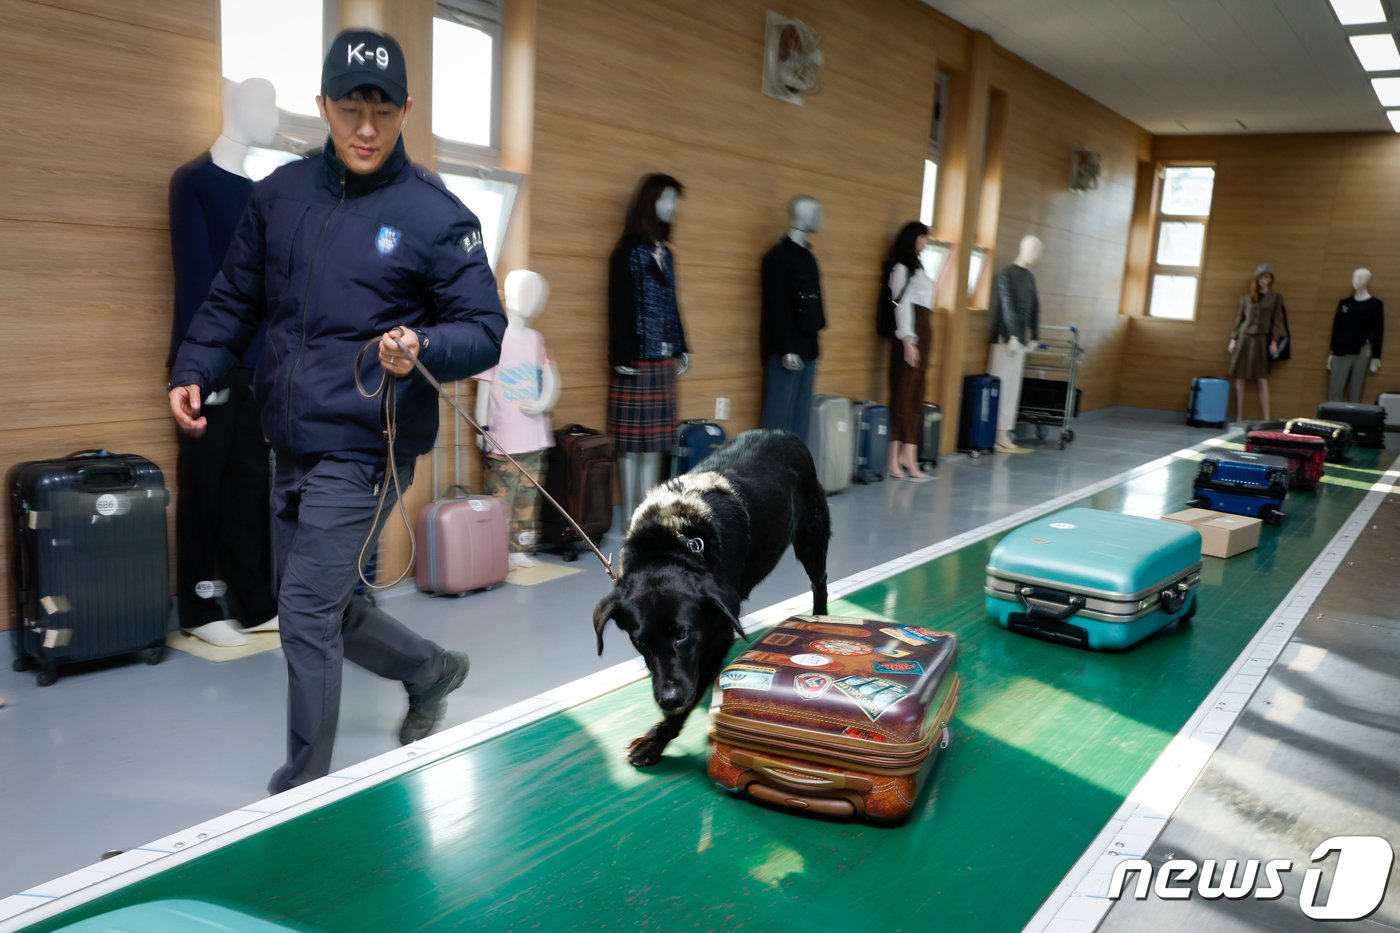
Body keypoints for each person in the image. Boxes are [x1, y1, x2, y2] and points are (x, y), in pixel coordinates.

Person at [168, 29, 506, 794]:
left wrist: (423, 340)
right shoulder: (278, 195)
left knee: (305, 612)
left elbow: (484, 328)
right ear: (321, 105)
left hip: (370, 444)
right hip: (288, 437)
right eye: (349, 107)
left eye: (381, 112)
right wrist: (197, 364)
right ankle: (432, 668)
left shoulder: (433, 213)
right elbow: (234, 298)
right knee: (326, 606)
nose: (364, 128)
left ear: (406, 112)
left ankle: (302, 792)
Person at [168, 77, 281, 649]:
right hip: (209, 364)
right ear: (235, 103)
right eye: (266, 102)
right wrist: (197, 369)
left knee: (249, 486)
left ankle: (254, 600)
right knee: (203, 486)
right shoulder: (193, 183)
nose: (276, 115)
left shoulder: (261, 194)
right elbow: (196, 284)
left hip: (257, 366)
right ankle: (198, 606)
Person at [608, 173, 690, 523]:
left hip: (662, 359)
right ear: (650, 202)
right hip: (635, 359)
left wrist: (684, 347)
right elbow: (617, 305)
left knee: (656, 444)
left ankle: (648, 514)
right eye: (667, 199)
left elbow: (672, 303)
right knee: (631, 445)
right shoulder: (626, 252)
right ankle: (629, 516)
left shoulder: (666, 255)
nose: (673, 207)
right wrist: (620, 354)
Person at [474, 269, 559, 570]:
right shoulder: (495, 337)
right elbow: (484, 387)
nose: (533, 299)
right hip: (503, 439)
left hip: (534, 436)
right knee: (500, 499)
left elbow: (550, 376)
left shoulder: (536, 340)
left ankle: (520, 548)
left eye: (538, 293)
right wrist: (481, 427)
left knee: (528, 497)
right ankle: (496, 551)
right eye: (526, 292)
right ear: (509, 297)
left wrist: (546, 400)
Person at [759, 196, 826, 443]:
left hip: (808, 347)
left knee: (800, 419)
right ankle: (769, 476)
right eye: (817, 212)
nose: (821, 218)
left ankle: (795, 475)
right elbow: (775, 307)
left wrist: (814, 348)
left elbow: (813, 304)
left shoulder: (808, 258)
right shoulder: (777, 258)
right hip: (784, 350)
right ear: (803, 215)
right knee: (777, 418)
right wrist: (786, 349)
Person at [883, 221, 933, 480]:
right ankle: (893, 459)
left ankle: (909, 457)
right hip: (910, 333)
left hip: (924, 330)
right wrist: (907, 340)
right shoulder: (902, 268)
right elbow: (900, 305)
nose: (925, 242)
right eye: (922, 237)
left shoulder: (918, 267)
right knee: (903, 394)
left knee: (917, 395)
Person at [987, 234, 1044, 454]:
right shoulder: (1006, 274)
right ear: (1024, 248)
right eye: (1034, 249)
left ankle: (1004, 432)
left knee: (1012, 389)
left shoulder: (1029, 276)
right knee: (1000, 386)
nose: (1036, 255)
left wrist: (1034, 336)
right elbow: (1008, 305)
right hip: (1005, 339)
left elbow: (1034, 306)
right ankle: (995, 433)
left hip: (1019, 340)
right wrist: (1012, 335)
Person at [1227, 264, 1286, 422]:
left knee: (1262, 379)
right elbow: (1239, 320)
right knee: (1240, 377)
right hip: (1244, 338)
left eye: (1267, 277)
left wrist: (1274, 341)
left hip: (1261, 340)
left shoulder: (1276, 298)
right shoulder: (1247, 297)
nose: (1264, 280)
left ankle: (1266, 418)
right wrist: (1233, 339)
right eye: (1261, 277)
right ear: (1257, 279)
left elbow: (1276, 322)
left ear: (1271, 280)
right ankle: (1239, 416)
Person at [1327, 268, 1384, 403]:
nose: (1356, 281)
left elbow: (1378, 330)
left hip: (1362, 349)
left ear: (1367, 281)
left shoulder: (1375, 304)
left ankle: (1352, 421)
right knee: (1335, 390)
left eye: (1361, 278)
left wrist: (1376, 356)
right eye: (1355, 277)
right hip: (1341, 350)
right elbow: (1336, 328)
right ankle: (1331, 421)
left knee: (1356, 391)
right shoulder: (1345, 303)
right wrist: (1332, 351)